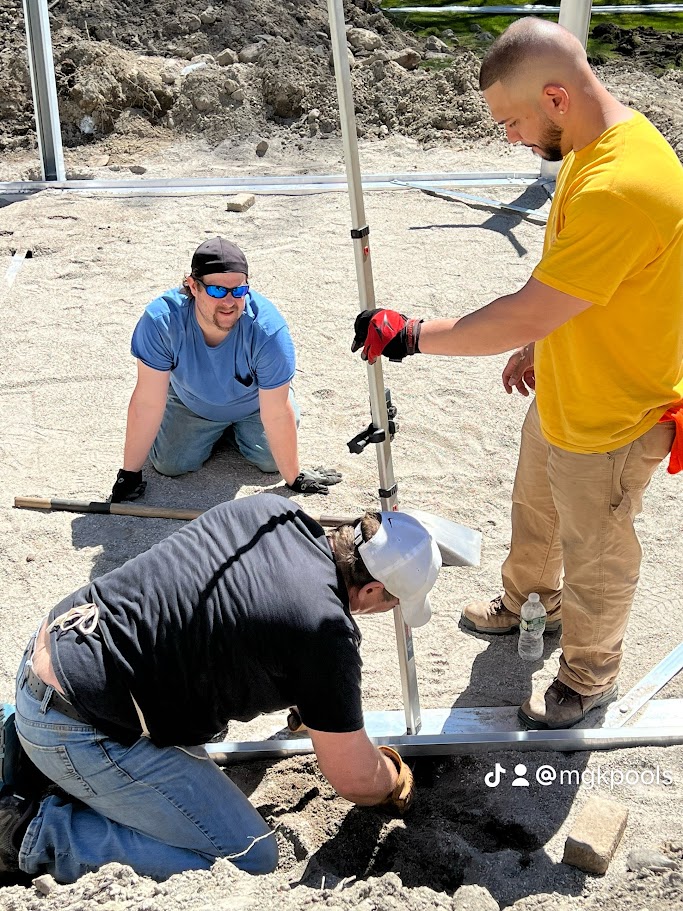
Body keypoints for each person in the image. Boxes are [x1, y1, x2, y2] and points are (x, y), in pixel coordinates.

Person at [351, 17, 683, 730]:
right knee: (534, 508)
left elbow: (522, 308)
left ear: (556, 98)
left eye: (511, 120)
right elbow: (580, 280)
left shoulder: (621, 184)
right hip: (568, 386)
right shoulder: (595, 147)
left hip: (613, 414)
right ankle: (532, 598)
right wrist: (542, 345)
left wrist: (413, 335)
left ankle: (587, 671)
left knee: (595, 548)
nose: (507, 136)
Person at [0, 494, 441, 884]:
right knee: (250, 857)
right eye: (392, 603)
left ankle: (21, 750)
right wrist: (391, 777)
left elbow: (242, 613)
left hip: (55, 648)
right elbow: (356, 780)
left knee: (202, 727)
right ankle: (28, 834)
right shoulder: (324, 632)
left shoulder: (275, 512)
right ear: (371, 589)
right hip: (78, 728)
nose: (388, 611)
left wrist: (319, 699)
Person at [110, 236, 341, 501]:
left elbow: (276, 412)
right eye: (217, 291)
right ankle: (217, 432)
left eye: (239, 291)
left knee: (271, 463)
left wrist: (295, 477)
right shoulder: (161, 322)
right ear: (192, 287)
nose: (229, 302)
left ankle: (240, 425)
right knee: (169, 465)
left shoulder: (268, 330)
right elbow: (147, 401)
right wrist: (129, 473)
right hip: (191, 402)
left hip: (256, 405)